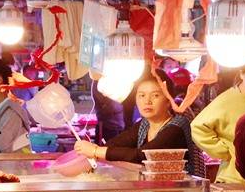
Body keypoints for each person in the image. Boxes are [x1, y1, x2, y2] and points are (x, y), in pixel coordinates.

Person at [75, 73, 206, 177]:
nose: (147, 101)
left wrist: (96, 151)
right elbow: (116, 143)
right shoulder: (144, 125)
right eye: (142, 95)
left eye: (155, 95)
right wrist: (91, 152)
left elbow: (143, 155)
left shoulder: (177, 127)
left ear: (168, 101)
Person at [191, 55, 245, 184]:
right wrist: (224, 152)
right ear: (242, 74)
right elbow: (197, 127)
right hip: (232, 179)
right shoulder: (228, 99)